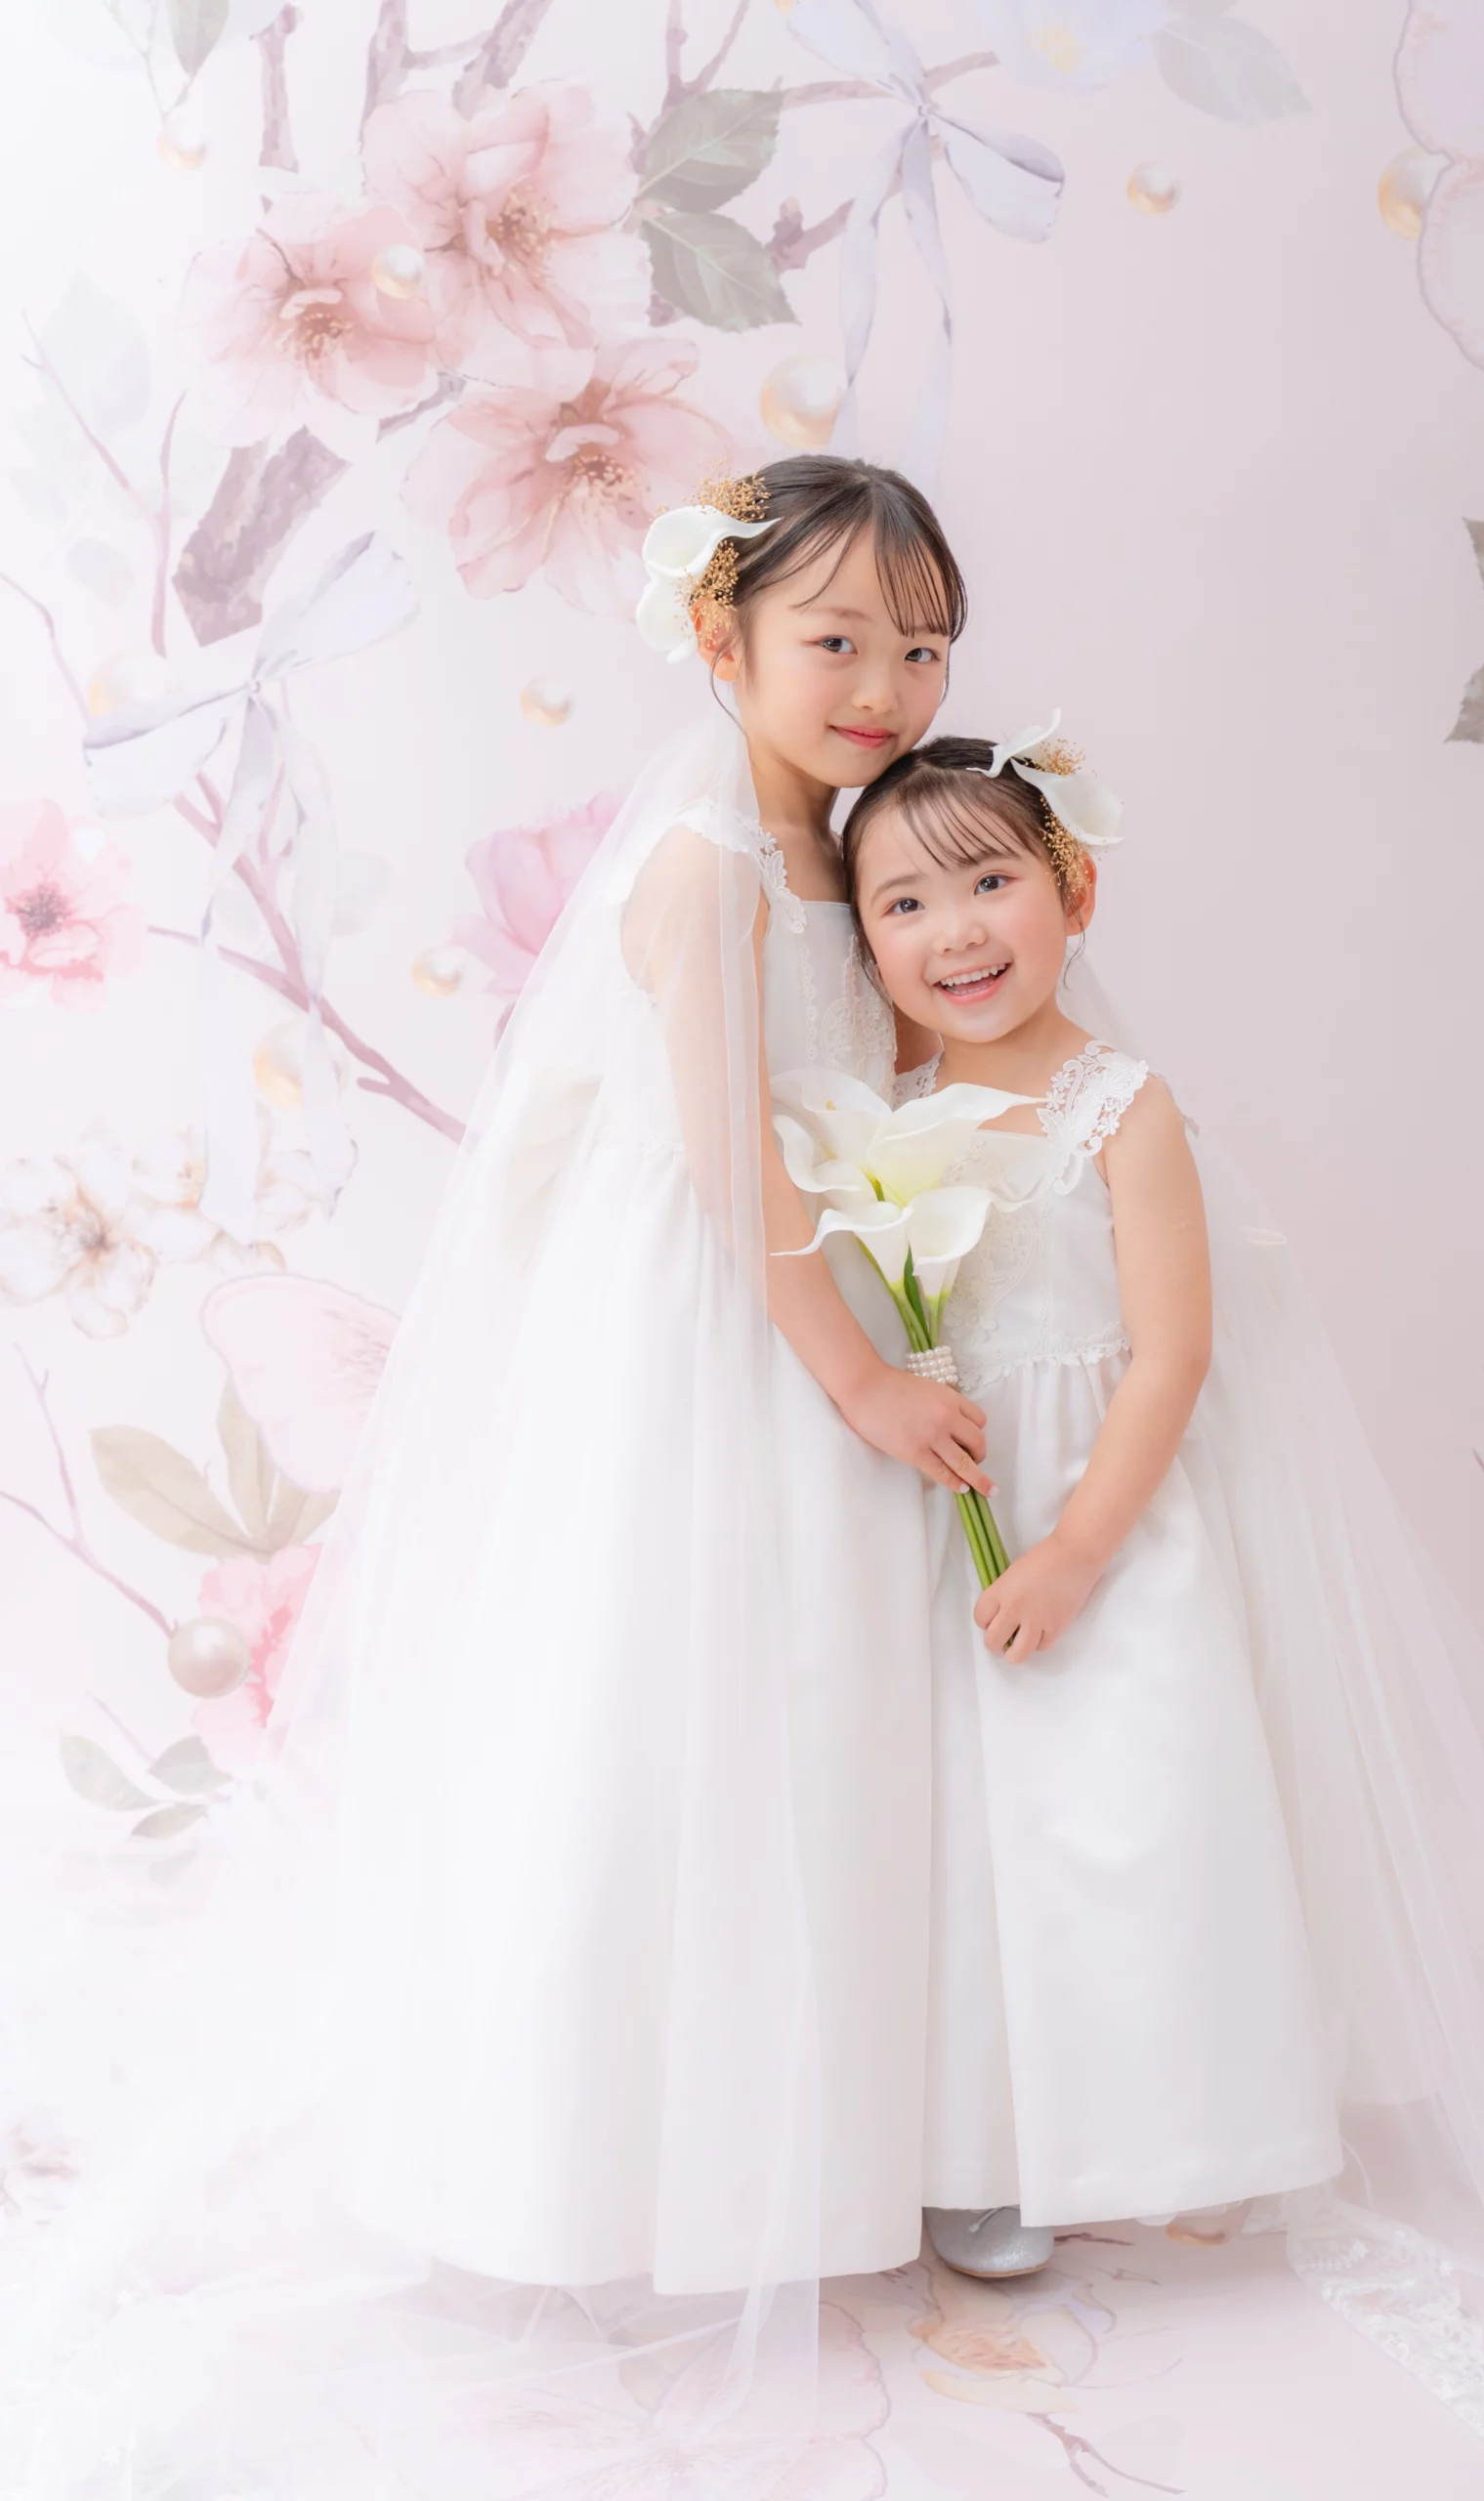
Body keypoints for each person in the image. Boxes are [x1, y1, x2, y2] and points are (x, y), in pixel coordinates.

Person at [3, 458, 988, 2496]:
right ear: (717, 639)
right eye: (834, 640)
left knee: (834, 1698)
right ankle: (606, 2151)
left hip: (823, 1278)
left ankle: (859, 2120)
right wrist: (857, 1378)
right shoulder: (704, 866)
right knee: (672, 1699)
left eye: (920, 646)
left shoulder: (856, 849)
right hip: (711, 1317)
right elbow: (727, 1161)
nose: (883, 685)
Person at [826, 725, 1484, 2491]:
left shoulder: (1117, 1106)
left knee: (1125, 1817)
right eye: (903, 901)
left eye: (989, 881)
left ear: (1072, 893)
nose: (953, 929)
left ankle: (1147, 2115)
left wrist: (1075, 1551)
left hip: (1104, 1516)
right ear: (865, 939)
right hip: (943, 1506)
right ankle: (972, 2142)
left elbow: (1173, 1353)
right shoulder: (877, 1109)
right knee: (960, 1840)